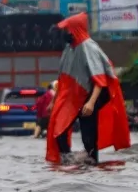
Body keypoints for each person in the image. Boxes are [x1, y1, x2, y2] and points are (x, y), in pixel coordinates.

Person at [46, 13, 131, 165]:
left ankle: (91, 160)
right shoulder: (69, 49)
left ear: (75, 29)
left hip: (98, 91)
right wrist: (54, 101)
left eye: (67, 29)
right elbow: (63, 80)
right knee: (58, 129)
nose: (65, 33)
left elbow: (100, 80)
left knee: (87, 123)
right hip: (79, 94)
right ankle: (69, 160)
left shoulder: (88, 47)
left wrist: (91, 103)